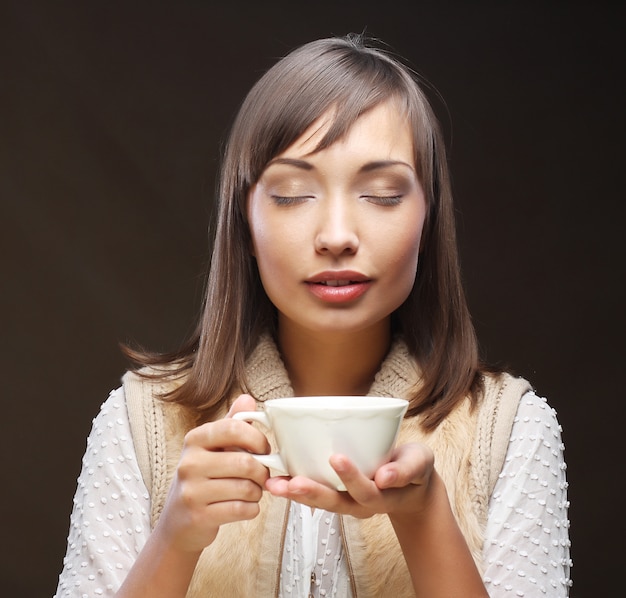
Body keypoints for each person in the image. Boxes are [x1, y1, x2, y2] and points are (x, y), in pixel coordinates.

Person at [54, 34, 571, 597]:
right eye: (293, 193)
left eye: (381, 194)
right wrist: (176, 537)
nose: (336, 236)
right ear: (243, 224)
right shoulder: (144, 420)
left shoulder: (510, 427)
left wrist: (425, 518)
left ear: (430, 217)